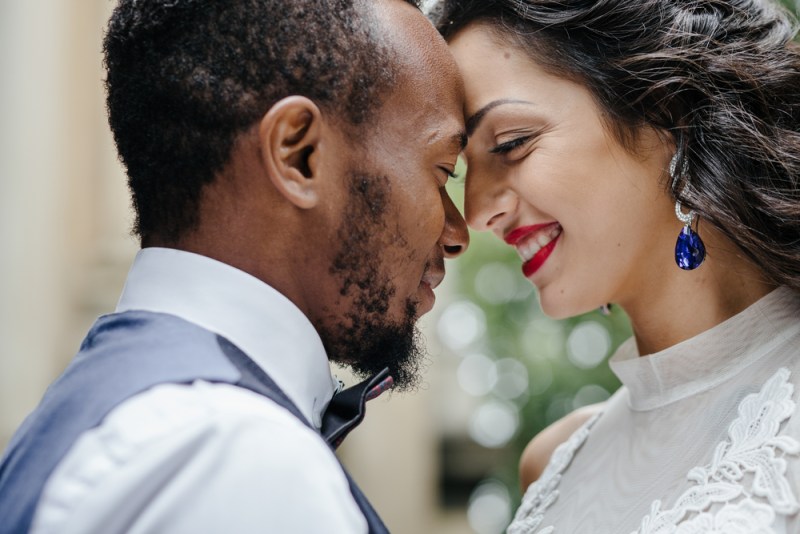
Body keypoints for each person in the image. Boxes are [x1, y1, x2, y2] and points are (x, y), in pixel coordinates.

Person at [0, 0, 470, 532]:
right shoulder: (237, 458)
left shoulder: (90, 413)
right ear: (298, 155)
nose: (458, 233)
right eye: (443, 171)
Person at [433, 0, 800, 532]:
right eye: (463, 170)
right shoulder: (553, 465)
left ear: (667, 109)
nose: (476, 213)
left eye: (512, 143)